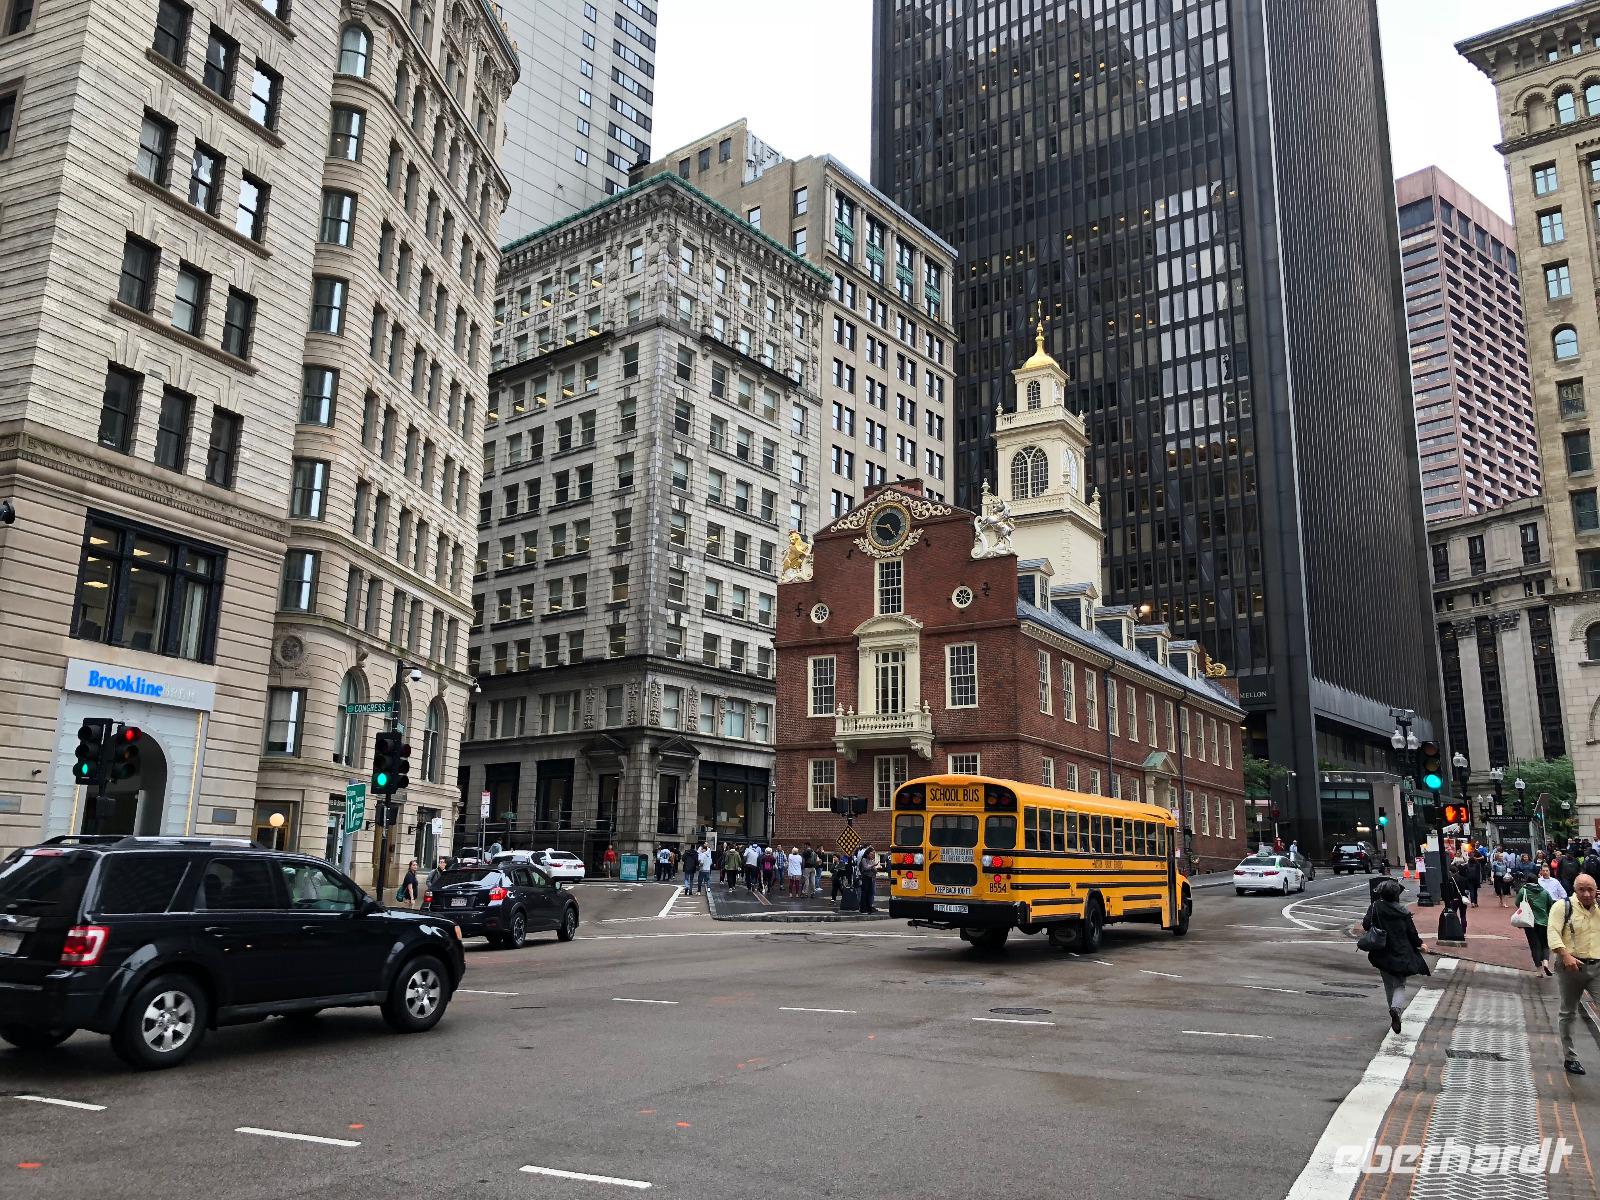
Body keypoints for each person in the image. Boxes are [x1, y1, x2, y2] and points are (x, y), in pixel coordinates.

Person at [1361, 877, 1431, 1034]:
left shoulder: (1375, 907)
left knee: (1388, 984)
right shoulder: (1403, 911)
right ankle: (1396, 1009)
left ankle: (1393, 1012)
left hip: (1382, 951)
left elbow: (1366, 925)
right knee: (1399, 984)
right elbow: (1411, 932)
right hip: (1401, 951)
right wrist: (1420, 944)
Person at [1549, 873, 1600, 1075]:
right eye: (1582, 889)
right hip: (1571, 967)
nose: (1587, 894)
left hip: (1596, 967)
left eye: (1591, 890)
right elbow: (1552, 931)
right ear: (1574, 889)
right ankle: (1570, 1057)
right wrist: (1565, 954)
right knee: (1568, 1012)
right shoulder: (1563, 907)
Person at [1515, 869, 1557, 977]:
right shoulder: (1544, 892)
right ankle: (1546, 962)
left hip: (1529, 922)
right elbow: (1550, 904)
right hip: (1543, 921)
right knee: (1545, 944)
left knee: (1534, 945)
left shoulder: (1523, 891)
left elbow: (1517, 903)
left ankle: (1539, 970)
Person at [858, 845, 880, 914]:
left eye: (873, 854)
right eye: (871, 854)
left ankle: (868, 908)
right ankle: (863, 909)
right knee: (864, 893)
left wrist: (875, 868)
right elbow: (865, 868)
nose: (872, 855)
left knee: (869, 893)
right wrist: (873, 866)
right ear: (867, 854)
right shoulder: (864, 859)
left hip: (871, 878)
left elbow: (875, 871)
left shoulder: (871, 861)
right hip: (865, 878)